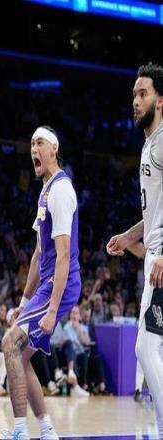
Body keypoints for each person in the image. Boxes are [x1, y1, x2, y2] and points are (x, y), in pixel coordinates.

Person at [2, 126, 81, 440]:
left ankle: (20, 431)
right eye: (31, 144)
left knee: (9, 343)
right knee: (20, 358)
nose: (33, 149)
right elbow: (38, 254)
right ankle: (47, 431)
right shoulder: (46, 189)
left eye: (39, 143)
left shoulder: (61, 190)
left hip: (61, 284)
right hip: (48, 283)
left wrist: (51, 309)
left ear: (53, 149)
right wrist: (24, 302)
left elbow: (63, 256)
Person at [106, 62, 163, 438]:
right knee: (155, 350)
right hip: (153, 253)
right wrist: (130, 237)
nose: (135, 101)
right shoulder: (148, 145)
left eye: (143, 94)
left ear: (160, 101)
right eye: (133, 95)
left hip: (162, 258)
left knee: (144, 348)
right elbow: (154, 212)